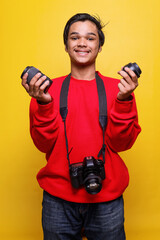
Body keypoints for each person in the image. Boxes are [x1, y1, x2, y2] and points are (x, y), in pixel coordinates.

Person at [21, 13, 141, 240]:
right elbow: (42, 143)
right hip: (58, 201)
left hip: (107, 200)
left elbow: (122, 143)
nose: (82, 43)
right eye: (75, 37)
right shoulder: (46, 90)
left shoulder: (119, 88)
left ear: (100, 46)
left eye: (91, 38)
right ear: (66, 45)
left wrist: (124, 101)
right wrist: (44, 104)